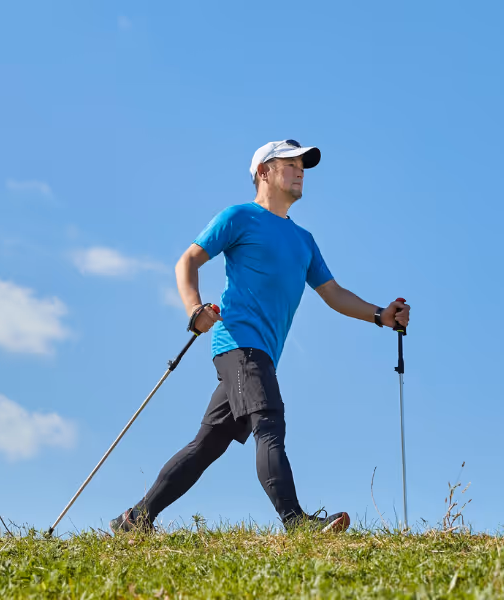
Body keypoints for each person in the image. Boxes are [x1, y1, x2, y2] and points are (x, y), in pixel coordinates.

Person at [109, 139, 411, 534]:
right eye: (290, 163)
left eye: (303, 164)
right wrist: (194, 311)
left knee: (207, 445)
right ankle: (296, 522)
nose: (300, 169)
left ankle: (134, 519)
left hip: (262, 351)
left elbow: (333, 294)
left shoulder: (303, 240)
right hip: (239, 343)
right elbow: (188, 261)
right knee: (269, 421)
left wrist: (380, 315)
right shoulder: (238, 218)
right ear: (263, 172)